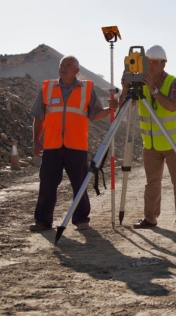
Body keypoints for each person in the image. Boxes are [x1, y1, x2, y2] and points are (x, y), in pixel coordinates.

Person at [29, 55, 118, 232]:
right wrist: (36, 141)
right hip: (52, 146)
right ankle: (43, 221)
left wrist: (110, 109)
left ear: (77, 70)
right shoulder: (47, 87)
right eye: (62, 64)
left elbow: (95, 114)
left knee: (80, 183)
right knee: (47, 184)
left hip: (76, 146)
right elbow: (39, 117)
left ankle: (81, 219)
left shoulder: (86, 89)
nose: (64, 68)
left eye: (69, 65)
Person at [119, 45, 176, 233]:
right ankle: (150, 218)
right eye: (148, 63)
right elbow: (123, 108)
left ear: (163, 64)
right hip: (150, 144)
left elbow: (173, 106)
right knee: (152, 183)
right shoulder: (139, 84)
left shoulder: (174, 83)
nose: (151, 66)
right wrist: (125, 87)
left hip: (173, 142)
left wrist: (154, 90)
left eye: (155, 63)